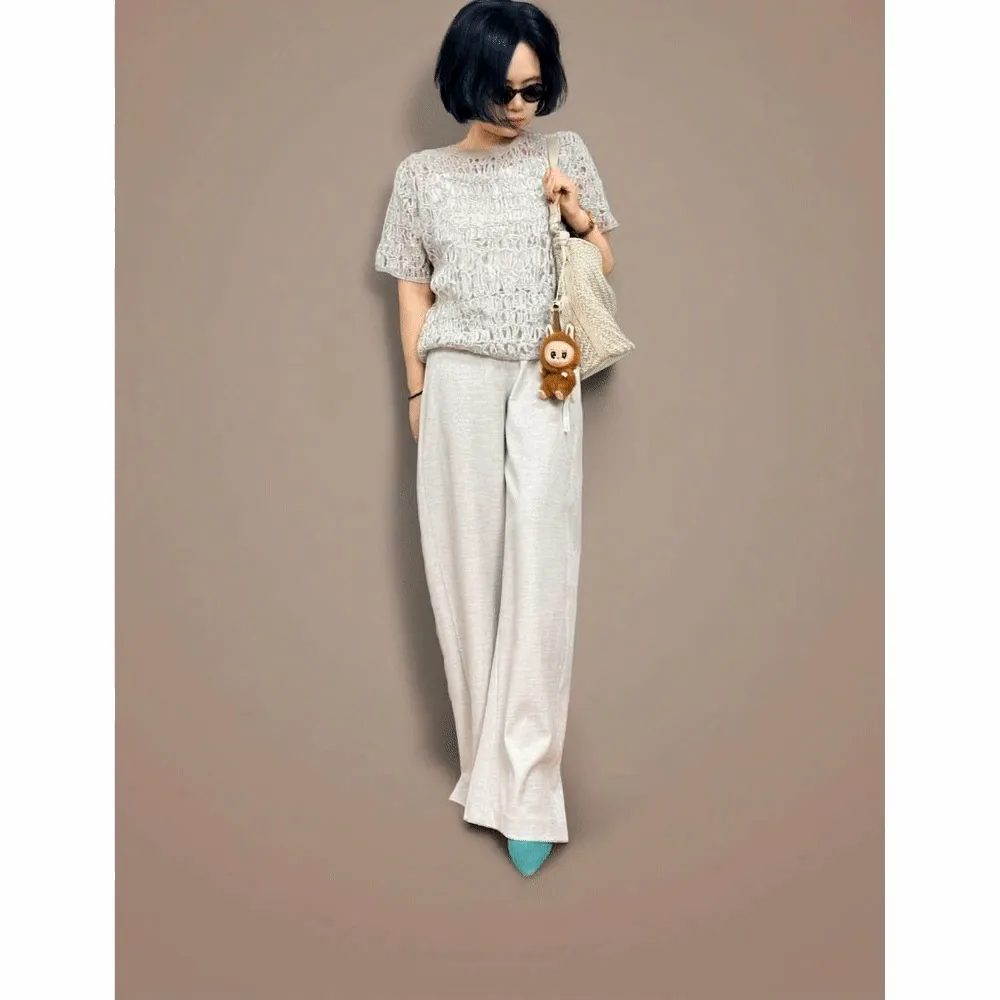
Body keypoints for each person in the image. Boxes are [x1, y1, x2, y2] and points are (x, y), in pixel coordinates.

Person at [374, 0, 618, 877]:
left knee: (542, 567)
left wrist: (576, 214)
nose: (521, 106)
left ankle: (529, 787)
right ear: (465, 81)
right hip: (457, 379)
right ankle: (491, 773)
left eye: (534, 88)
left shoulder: (564, 154)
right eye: (504, 89)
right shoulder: (420, 176)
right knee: (465, 566)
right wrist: (415, 388)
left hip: (544, 372)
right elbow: (411, 287)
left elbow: (602, 265)